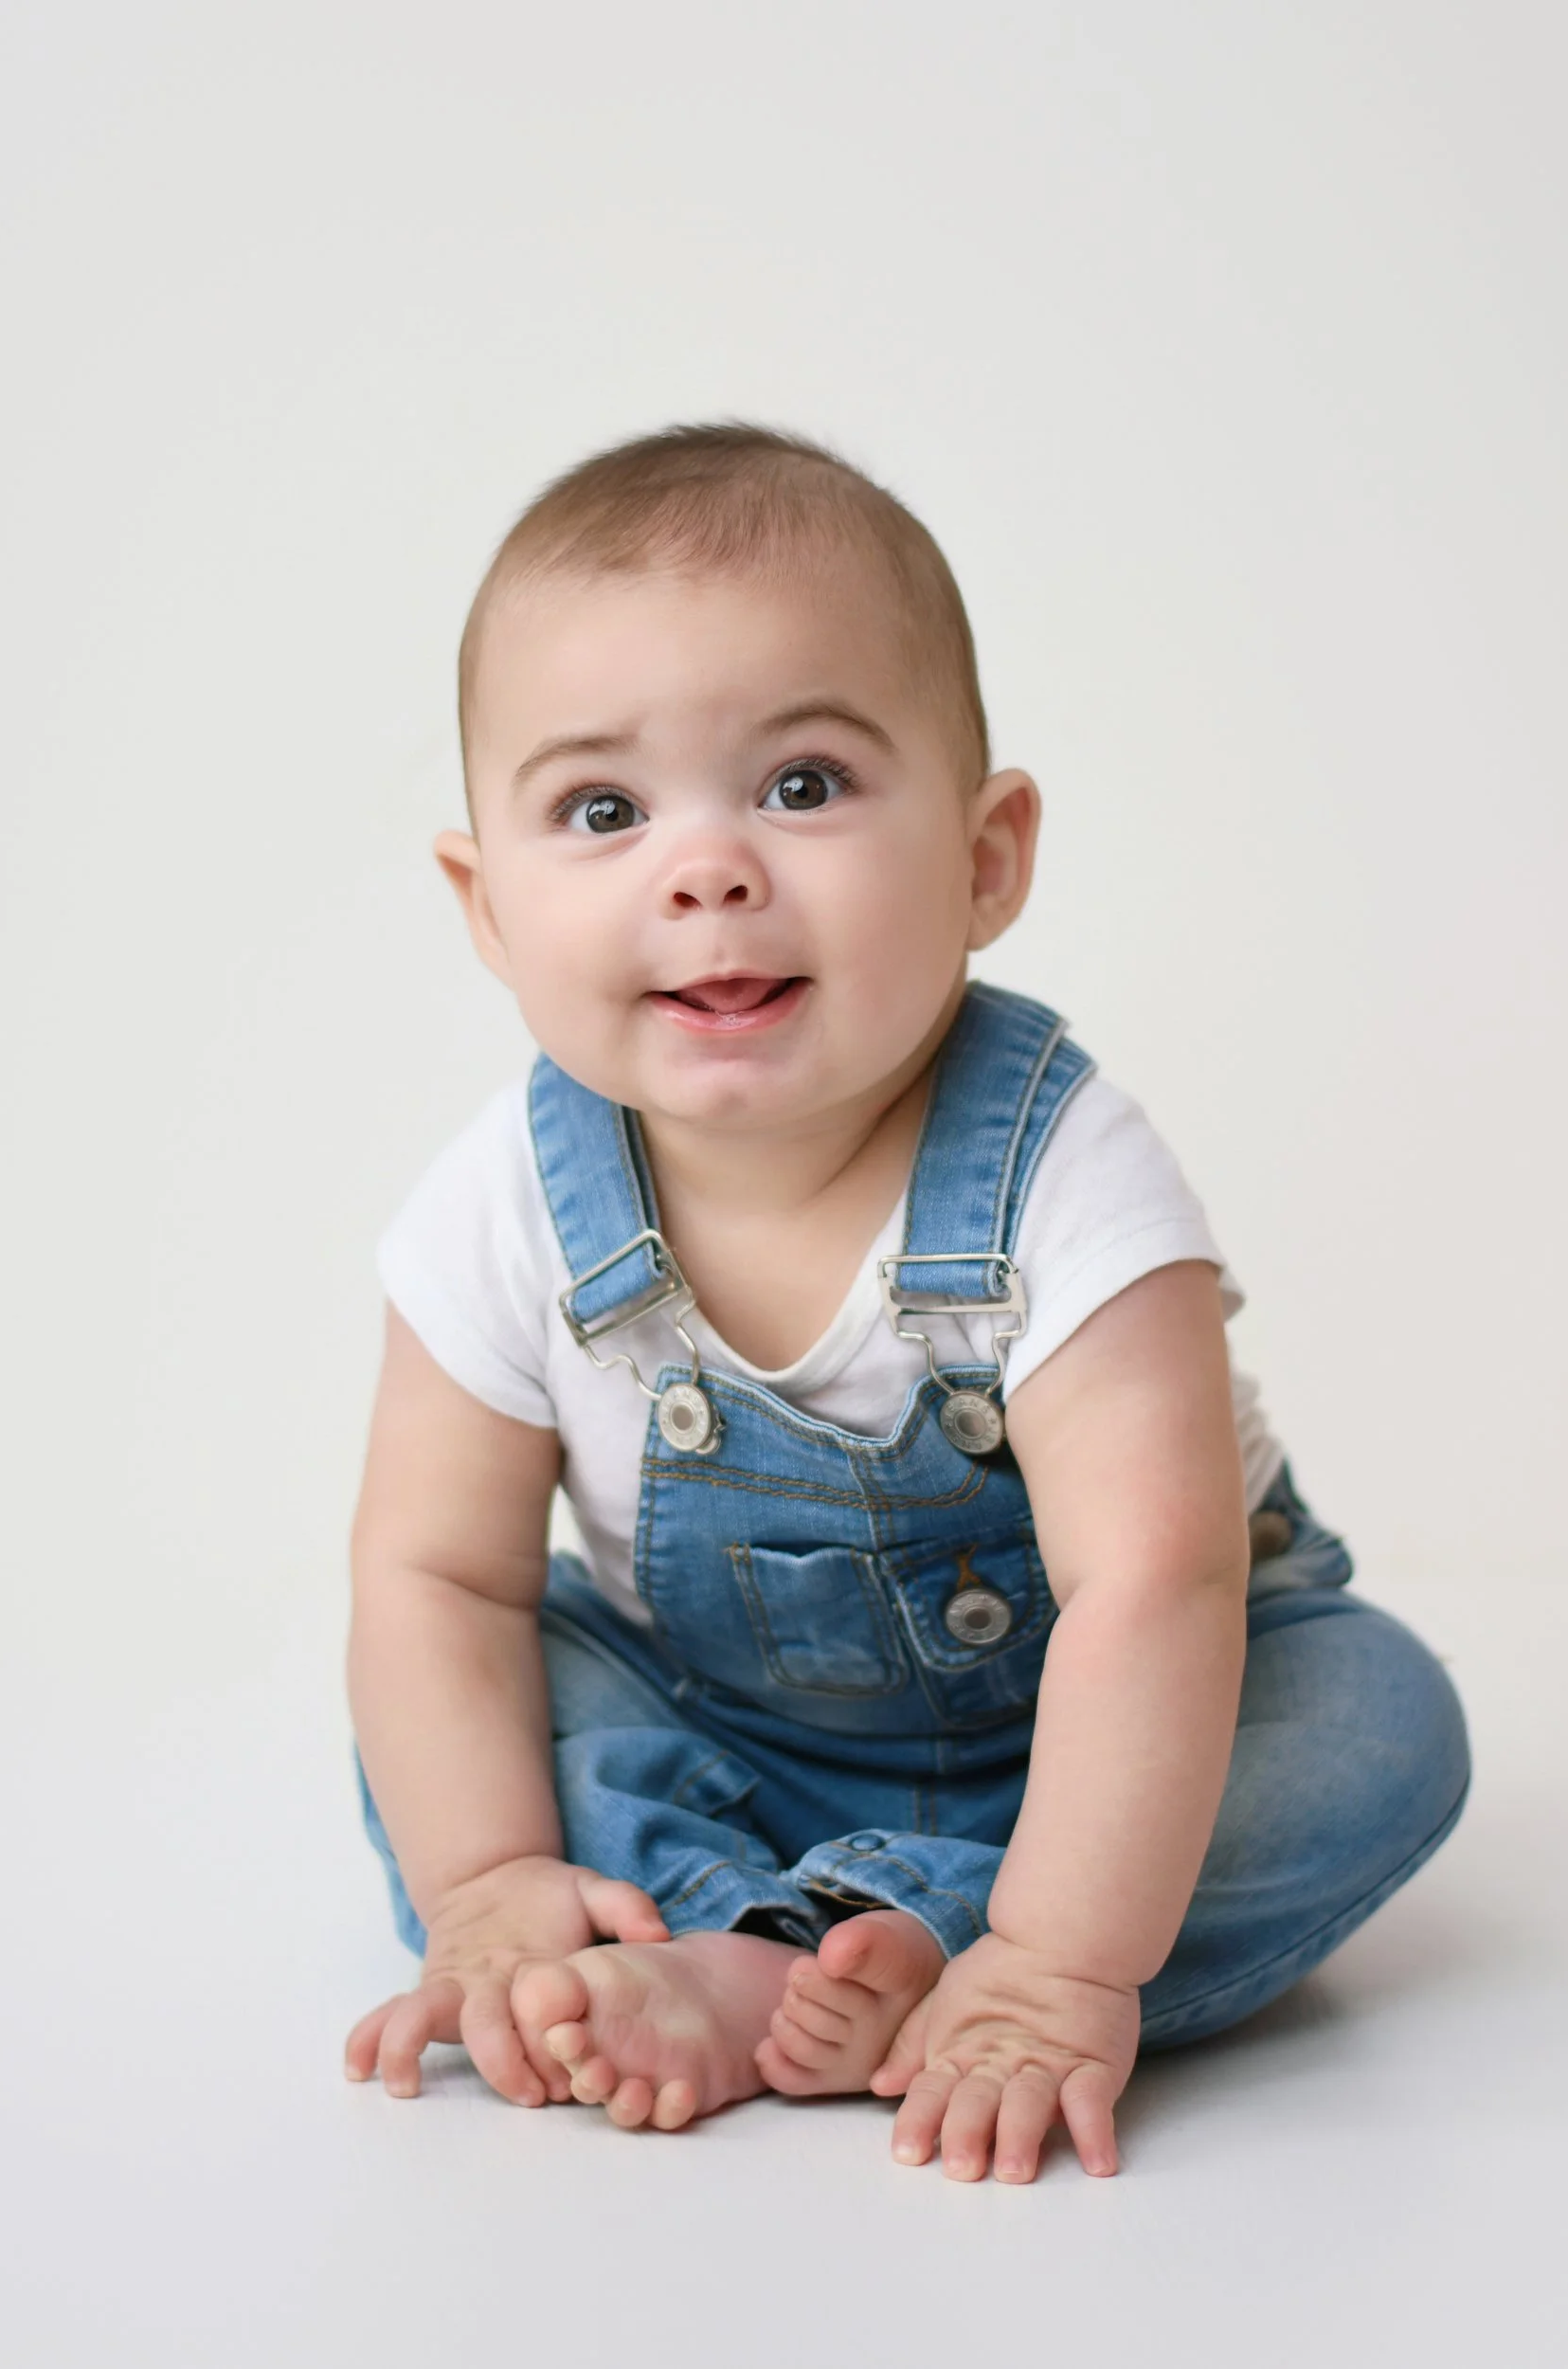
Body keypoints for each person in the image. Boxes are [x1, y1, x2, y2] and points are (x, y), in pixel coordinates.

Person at [339, 424, 1469, 2182]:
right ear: (489, 907)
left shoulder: (1064, 1175)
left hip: (1104, 1744)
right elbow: (437, 1571)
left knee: (1377, 1729)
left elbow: (1154, 1584)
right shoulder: (504, 1203)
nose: (705, 868)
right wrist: (481, 1885)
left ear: (985, 854)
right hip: (730, 1737)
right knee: (467, 1694)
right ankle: (707, 1931)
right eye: (603, 811)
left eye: (801, 784)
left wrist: (1065, 1960)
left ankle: (929, 1956)